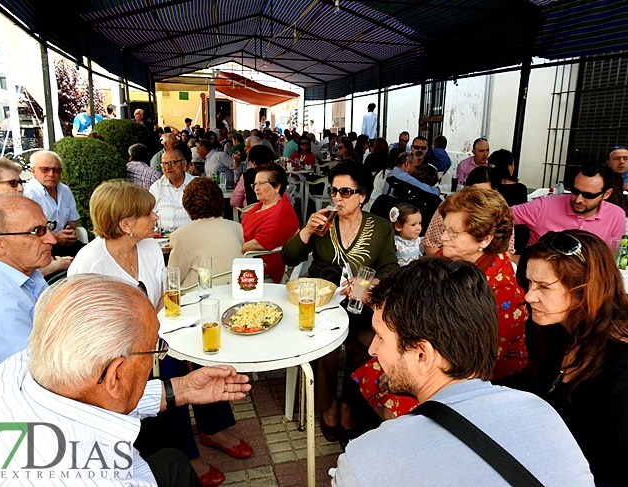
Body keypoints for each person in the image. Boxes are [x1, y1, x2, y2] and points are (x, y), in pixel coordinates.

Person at [331, 259, 595, 487]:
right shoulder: (543, 413)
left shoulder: (365, 462)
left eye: (380, 337)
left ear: (422, 355)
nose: (374, 350)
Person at [0, 274, 251, 486]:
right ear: (115, 375)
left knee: (173, 461)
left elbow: (94, 390)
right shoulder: (94, 479)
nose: (158, 353)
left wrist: (179, 389)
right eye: (155, 346)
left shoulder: (15, 368)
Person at [282, 162, 398, 442]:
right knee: (324, 348)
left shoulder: (380, 227)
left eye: (345, 192)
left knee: (367, 344)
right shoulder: (323, 222)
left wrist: (369, 284)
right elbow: (288, 257)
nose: (337, 198)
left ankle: (349, 404)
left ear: (362, 195)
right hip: (323, 304)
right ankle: (327, 407)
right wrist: (307, 230)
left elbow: (390, 269)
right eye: (334, 191)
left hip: (362, 304)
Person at [511, 230, 628, 486]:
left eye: (544, 286)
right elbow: (533, 384)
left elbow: (605, 461)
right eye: (529, 284)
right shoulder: (551, 330)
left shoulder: (619, 367)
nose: (529, 296)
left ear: (584, 289)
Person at [439, 187, 527, 379]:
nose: (443, 237)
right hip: (438, 354)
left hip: (480, 375)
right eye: (444, 229)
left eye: (453, 232)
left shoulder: (504, 289)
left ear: (486, 239)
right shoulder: (449, 258)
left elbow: (483, 358)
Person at [0, 194, 55, 379]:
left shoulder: (28, 273)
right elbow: (35, 376)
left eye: (48, 227)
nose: (52, 239)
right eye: (37, 231)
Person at [68, 179, 163, 308]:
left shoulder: (151, 246)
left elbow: (164, 297)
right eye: (148, 214)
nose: (155, 217)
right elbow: (86, 321)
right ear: (126, 225)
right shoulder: (90, 264)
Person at [0, 159, 72, 278]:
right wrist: (58, 265)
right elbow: (18, 272)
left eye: (21, 182)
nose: (20, 188)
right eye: (12, 183)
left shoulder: (22, 209)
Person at [511, 162, 625, 246]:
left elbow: (611, 257)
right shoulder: (544, 206)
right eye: (575, 191)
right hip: (539, 275)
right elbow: (498, 215)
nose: (578, 199)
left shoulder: (616, 215)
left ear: (606, 194)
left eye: (588, 195)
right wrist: (507, 252)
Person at [168, 178, 243, 288]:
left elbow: (173, 279)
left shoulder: (180, 235)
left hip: (196, 295)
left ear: (187, 203)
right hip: (232, 289)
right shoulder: (236, 227)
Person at [241, 162, 298, 283]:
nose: (256, 188)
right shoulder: (263, 204)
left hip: (258, 270)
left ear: (277, 186)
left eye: (261, 184)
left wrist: (227, 249)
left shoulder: (280, 214)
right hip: (243, 257)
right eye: (255, 184)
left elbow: (256, 245)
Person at [23, 150, 83, 258]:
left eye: (56, 170)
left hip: (67, 245)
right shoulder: (28, 194)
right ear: (33, 171)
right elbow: (27, 234)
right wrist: (55, 237)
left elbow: (72, 220)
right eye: (45, 169)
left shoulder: (64, 190)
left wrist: (69, 231)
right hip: (42, 248)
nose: (51, 174)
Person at [149, 149, 195, 232]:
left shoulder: (196, 185)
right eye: (164, 164)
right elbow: (149, 214)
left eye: (172, 163)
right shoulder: (157, 187)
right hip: (163, 237)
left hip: (192, 235)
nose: (167, 167)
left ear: (184, 164)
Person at [230, 145, 275, 209]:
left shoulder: (246, 176)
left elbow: (234, 202)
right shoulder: (277, 174)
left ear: (253, 162)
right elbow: (287, 197)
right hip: (274, 215)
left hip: (251, 215)